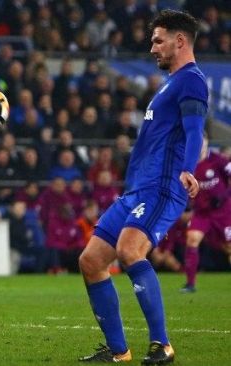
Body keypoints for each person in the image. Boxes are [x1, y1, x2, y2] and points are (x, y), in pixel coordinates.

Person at [78, 10, 206, 365]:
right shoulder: (170, 83)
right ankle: (119, 352)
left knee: (131, 250)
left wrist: (187, 169)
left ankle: (161, 345)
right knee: (90, 261)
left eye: (158, 40)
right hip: (136, 189)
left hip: (162, 187)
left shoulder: (191, 81)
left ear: (180, 41)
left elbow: (196, 130)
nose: (152, 48)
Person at [181, 133, 231, 292]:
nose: (200, 144)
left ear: (207, 142)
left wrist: (224, 195)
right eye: (196, 141)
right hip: (202, 213)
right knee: (192, 239)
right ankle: (190, 283)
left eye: (203, 141)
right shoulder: (186, 165)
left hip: (223, 211)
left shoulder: (218, 160)